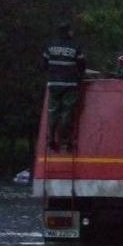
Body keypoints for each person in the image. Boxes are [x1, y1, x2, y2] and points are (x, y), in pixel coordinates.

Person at [42, 22, 86, 151]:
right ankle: (65, 141)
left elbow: (44, 64)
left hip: (53, 84)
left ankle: (51, 138)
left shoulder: (50, 46)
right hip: (70, 84)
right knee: (67, 112)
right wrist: (79, 76)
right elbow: (82, 65)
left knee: (53, 111)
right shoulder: (75, 46)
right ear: (68, 32)